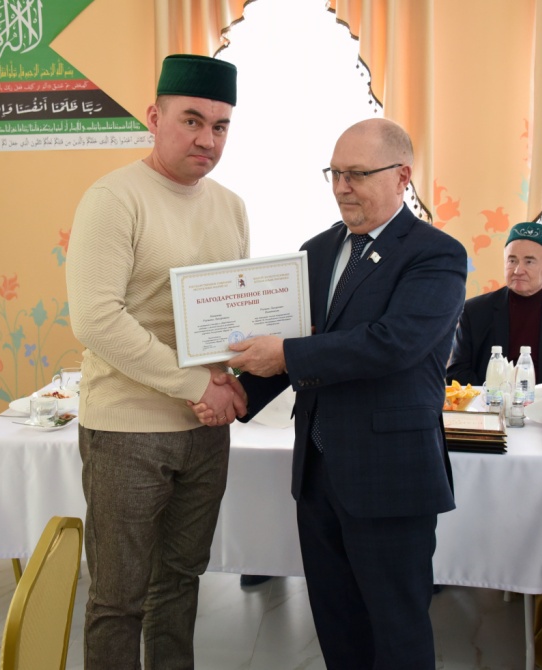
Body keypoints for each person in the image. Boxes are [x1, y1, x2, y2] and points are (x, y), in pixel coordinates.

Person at [195, 118, 466, 668]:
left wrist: (288, 354)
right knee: (337, 624)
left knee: (397, 629)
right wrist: (240, 393)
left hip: (390, 477)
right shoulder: (316, 251)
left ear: (402, 176)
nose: (342, 187)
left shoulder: (435, 254)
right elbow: (295, 340)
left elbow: (392, 344)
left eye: (357, 174)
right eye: (335, 173)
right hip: (318, 475)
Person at [64, 54, 249, 668]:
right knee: (118, 598)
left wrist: (230, 379)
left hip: (205, 428)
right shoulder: (113, 198)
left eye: (220, 126)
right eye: (192, 121)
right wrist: (197, 383)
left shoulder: (231, 206)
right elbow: (96, 319)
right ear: (154, 117)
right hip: (128, 432)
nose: (207, 139)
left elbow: (232, 315)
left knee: (180, 583)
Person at [446, 222, 542, 386]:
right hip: (491, 400)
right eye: (512, 260)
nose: (518, 270)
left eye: (529, 262)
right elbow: (456, 374)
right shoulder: (474, 311)